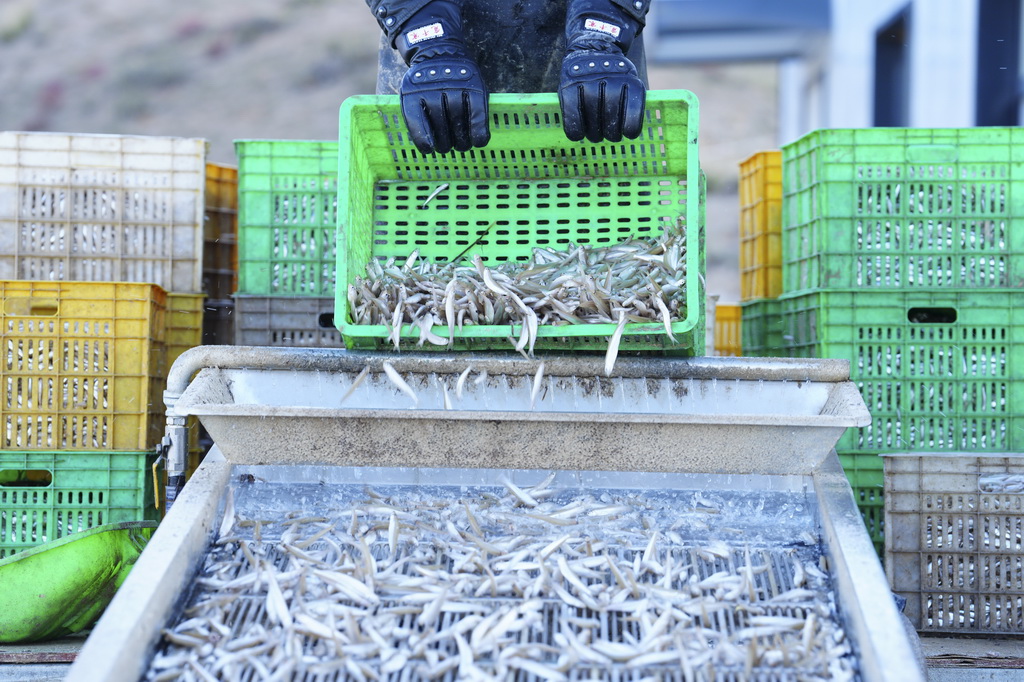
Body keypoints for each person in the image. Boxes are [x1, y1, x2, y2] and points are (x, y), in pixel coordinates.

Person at [362, 0, 652, 154]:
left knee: (602, 199)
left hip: (596, 59)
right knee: (426, 215)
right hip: (426, 57)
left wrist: (600, 31)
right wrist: (429, 38)